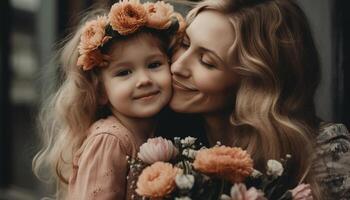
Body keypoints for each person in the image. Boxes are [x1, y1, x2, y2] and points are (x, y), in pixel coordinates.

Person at [168, 0, 350, 199]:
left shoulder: (324, 153)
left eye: (207, 62)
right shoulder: (157, 135)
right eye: (184, 44)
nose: (177, 67)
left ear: (255, 84)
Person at [32, 0, 185, 199]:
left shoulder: (155, 130)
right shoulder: (110, 140)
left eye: (154, 64)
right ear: (101, 91)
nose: (144, 80)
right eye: (124, 72)